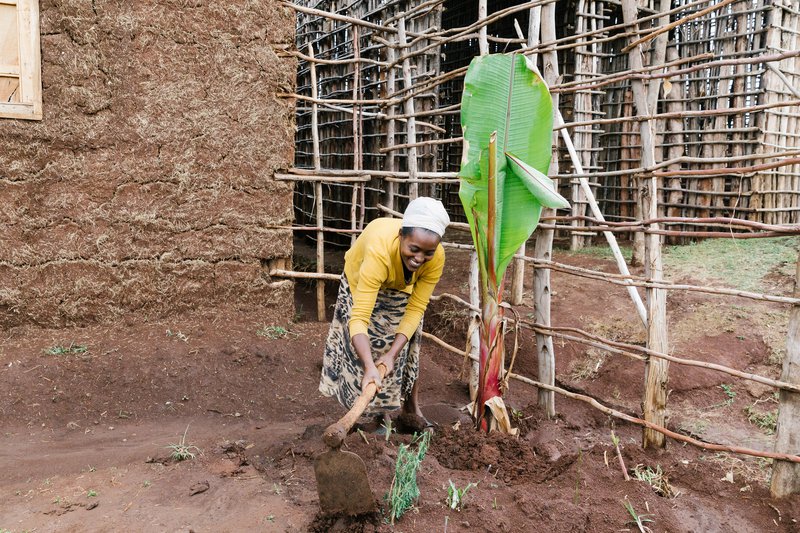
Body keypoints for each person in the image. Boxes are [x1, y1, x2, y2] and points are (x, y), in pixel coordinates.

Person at [318, 197, 450, 429]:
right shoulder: (379, 250)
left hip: (401, 287)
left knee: (404, 349)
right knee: (365, 348)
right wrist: (370, 365)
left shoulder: (436, 257)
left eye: (427, 252)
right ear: (401, 236)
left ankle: (410, 408)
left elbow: (416, 309)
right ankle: (365, 416)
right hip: (362, 278)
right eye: (414, 249)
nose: (419, 258)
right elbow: (359, 318)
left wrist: (391, 356)